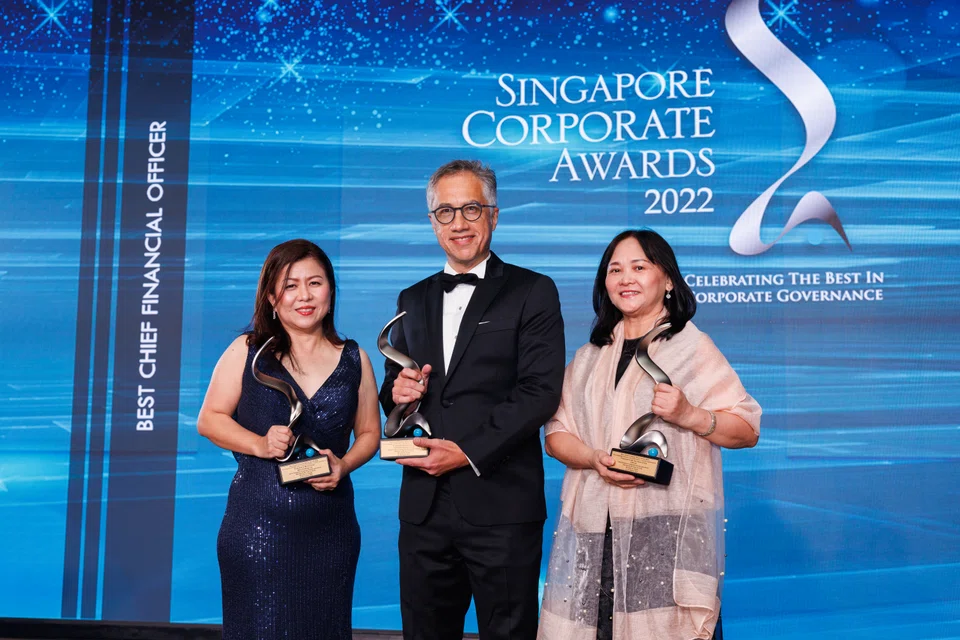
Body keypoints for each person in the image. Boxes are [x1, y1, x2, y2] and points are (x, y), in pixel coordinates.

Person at [537, 229, 761, 640]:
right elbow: (555, 435)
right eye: (615, 269)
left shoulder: (692, 348)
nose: (626, 278)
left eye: (639, 267)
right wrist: (593, 459)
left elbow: (747, 429)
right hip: (593, 537)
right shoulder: (590, 357)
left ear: (668, 280)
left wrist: (690, 414)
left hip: (664, 543)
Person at [378, 159, 566, 640]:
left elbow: (539, 392)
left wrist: (465, 451)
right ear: (432, 222)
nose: (458, 223)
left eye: (471, 209)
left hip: (501, 506)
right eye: (445, 212)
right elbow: (396, 388)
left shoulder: (533, 291)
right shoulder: (411, 298)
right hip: (423, 510)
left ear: (494, 215)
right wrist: (396, 395)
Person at [197, 239, 380, 640]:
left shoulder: (355, 358)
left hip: (331, 535)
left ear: (330, 292)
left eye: (314, 283)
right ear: (271, 297)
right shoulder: (248, 351)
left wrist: (344, 465)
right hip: (257, 531)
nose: (304, 295)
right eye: (291, 284)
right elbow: (209, 420)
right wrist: (260, 444)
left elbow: (369, 434)